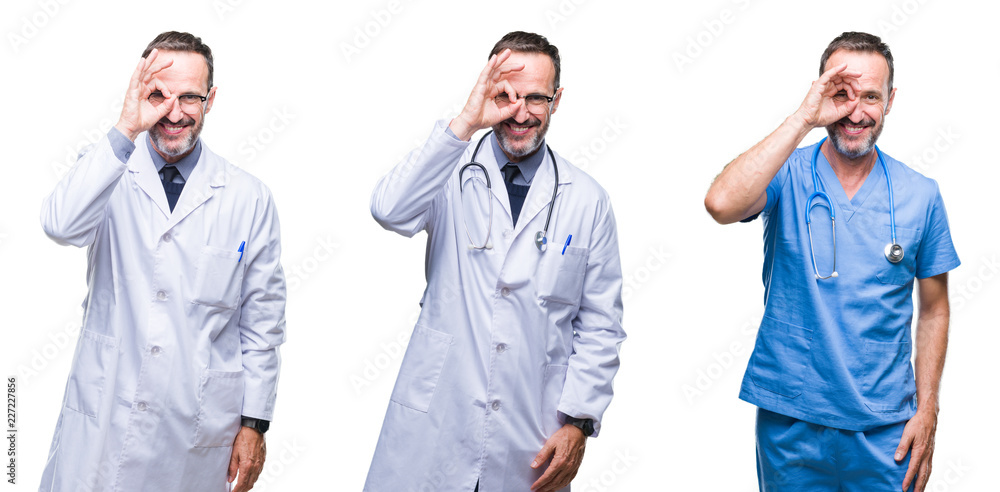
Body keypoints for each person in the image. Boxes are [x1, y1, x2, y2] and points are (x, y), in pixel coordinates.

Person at [366, 31, 625, 492]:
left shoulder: (587, 199)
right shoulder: (447, 168)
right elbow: (390, 209)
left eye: (535, 98)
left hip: (531, 432)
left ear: (557, 99)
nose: (520, 113)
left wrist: (579, 421)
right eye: (504, 95)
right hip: (437, 419)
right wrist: (465, 122)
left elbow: (600, 323)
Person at [704, 32, 959, 492]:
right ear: (822, 92)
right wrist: (803, 118)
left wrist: (928, 410)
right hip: (791, 421)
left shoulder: (921, 195)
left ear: (890, 100)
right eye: (841, 95)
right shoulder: (785, 171)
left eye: (870, 97)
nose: (856, 113)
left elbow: (935, 309)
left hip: (887, 430)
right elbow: (721, 204)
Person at [39, 31, 286, 492]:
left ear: (210, 100)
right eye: (158, 95)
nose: (174, 113)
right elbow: (60, 225)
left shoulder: (248, 197)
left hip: (193, 432)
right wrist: (126, 127)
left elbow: (262, 321)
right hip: (103, 421)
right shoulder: (106, 169)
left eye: (189, 97)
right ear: (139, 95)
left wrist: (255, 424)